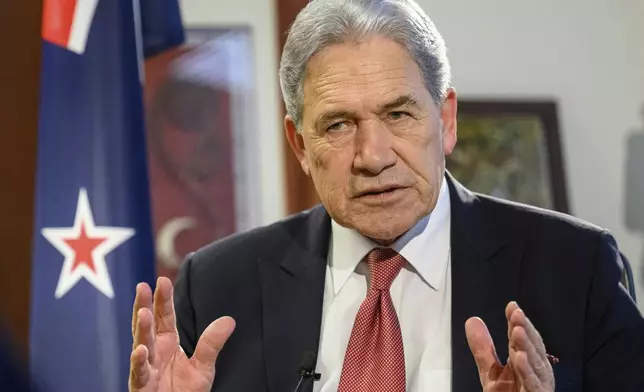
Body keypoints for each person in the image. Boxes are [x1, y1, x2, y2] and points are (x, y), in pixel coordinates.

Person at [128, 0, 644, 391]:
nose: (372, 156)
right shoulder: (216, 286)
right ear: (299, 145)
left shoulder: (576, 270)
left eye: (398, 114)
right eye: (338, 124)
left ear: (445, 121)